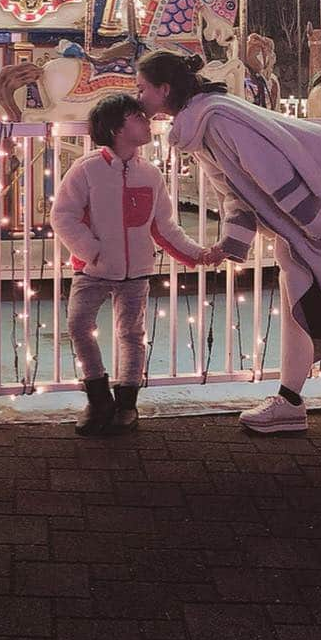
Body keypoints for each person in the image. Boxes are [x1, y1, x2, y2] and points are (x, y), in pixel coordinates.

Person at [135, 51, 321, 443]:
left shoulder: (215, 118)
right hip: (305, 217)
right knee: (299, 296)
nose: (138, 96)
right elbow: (235, 191)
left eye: (142, 89)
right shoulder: (201, 124)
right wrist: (231, 245)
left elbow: (272, 174)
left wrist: (319, 229)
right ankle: (290, 400)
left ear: (164, 89)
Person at [52, 92, 215, 437]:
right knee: (79, 324)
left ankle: (126, 402)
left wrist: (197, 253)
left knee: (131, 334)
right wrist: (90, 249)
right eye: (137, 117)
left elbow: (164, 225)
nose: (147, 122)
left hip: (136, 270)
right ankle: (97, 397)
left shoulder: (151, 175)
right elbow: (63, 215)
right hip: (92, 269)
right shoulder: (86, 169)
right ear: (115, 128)